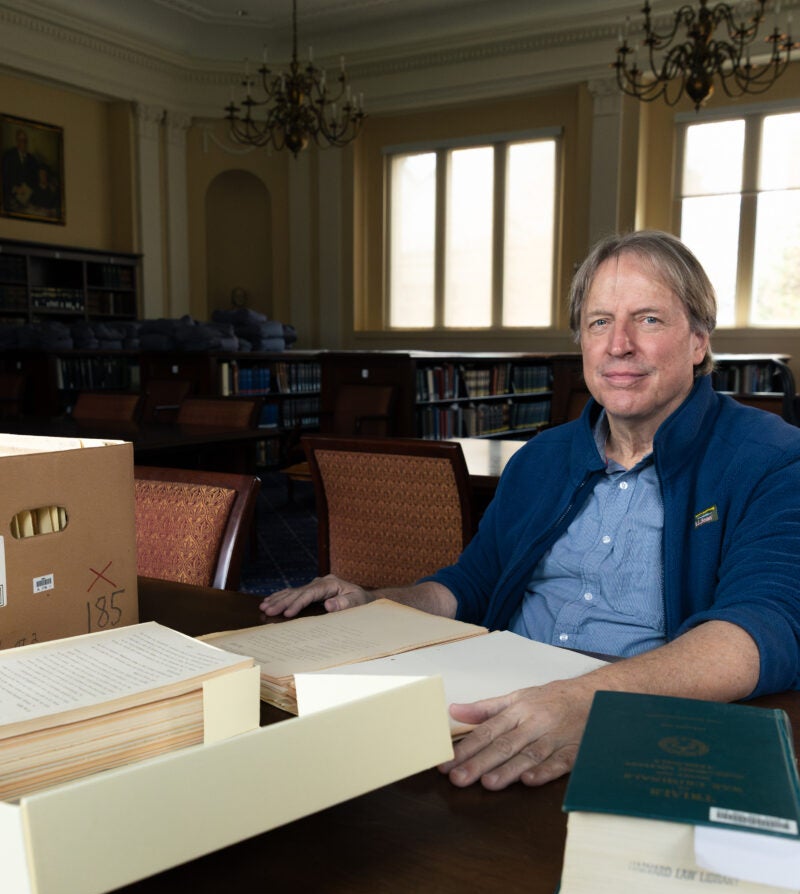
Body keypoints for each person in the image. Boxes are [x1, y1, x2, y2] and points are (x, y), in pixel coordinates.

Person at [261, 230, 800, 791]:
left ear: (698, 342)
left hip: (640, 729)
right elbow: (471, 581)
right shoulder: (542, 458)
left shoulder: (772, 460)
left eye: (649, 320)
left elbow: (763, 629)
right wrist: (379, 603)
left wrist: (588, 701)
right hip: (493, 710)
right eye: (598, 322)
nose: (618, 344)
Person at [2, 128, 39, 213]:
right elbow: (5, 178)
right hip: (11, 197)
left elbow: (35, 179)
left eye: (25, 141)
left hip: (28, 199)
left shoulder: (32, 159)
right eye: (21, 140)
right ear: (17, 142)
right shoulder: (9, 156)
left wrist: (28, 189)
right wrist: (15, 188)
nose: (23, 143)